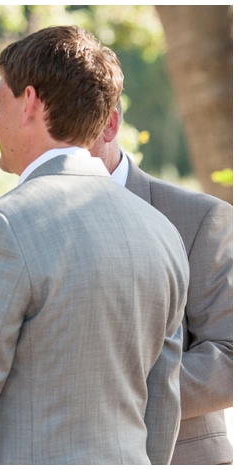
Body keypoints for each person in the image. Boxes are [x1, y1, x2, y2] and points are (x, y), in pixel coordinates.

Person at [0, 25, 189, 465]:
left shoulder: (1, 225)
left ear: (30, 102)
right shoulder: (162, 232)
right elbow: (163, 405)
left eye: (0, 101)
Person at [90, 105, 233, 465]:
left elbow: (230, 357)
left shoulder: (201, 218)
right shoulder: (25, 222)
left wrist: (109, 395)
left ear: (108, 125)